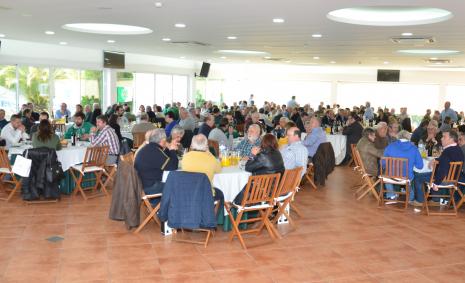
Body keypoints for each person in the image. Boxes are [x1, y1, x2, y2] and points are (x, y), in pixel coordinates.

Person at [233, 134, 285, 204]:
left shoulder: (263, 155)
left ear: (263, 143)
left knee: (244, 184)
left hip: (263, 191)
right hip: (276, 187)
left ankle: (236, 202)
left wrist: (253, 155)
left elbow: (248, 167)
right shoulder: (278, 153)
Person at [134, 129, 179, 205]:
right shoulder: (154, 151)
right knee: (177, 185)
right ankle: (164, 210)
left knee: (172, 182)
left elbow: (166, 158)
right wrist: (172, 150)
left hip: (143, 183)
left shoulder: (150, 148)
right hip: (149, 187)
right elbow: (173, 166)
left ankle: (157, 204)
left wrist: (168, 148)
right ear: (163, 140)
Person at [181, 134, 224, 211]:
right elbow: (219, 170)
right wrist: (209, 153)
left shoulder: (185, 157)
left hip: (188, 193)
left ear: (192, 145)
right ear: (206, 145)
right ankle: (211, 220)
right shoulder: (211, 159)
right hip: (206, 194)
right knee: (220, 193)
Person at [382, 130, 423, 201]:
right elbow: (420, 166)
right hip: (406, 177)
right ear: (409, 138)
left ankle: (391, 194)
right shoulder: (414, 148)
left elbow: (383, 163)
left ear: (398, 137)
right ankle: (410, 197)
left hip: (391, 176)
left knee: (386, 172)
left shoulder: (390, 146)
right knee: (412, 175)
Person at [428, 130, 464, 204]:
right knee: (434, 174)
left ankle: (422, 200)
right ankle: (436, 199)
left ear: (451, 139)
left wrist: (436, 184)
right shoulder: (457, 149)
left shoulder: (447, 151)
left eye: (444, 137)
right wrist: (436, 159)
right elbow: (449, 160)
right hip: (455, 179)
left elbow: (443, 168)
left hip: (446, 180)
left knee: (418, 177)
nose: (441, 138)